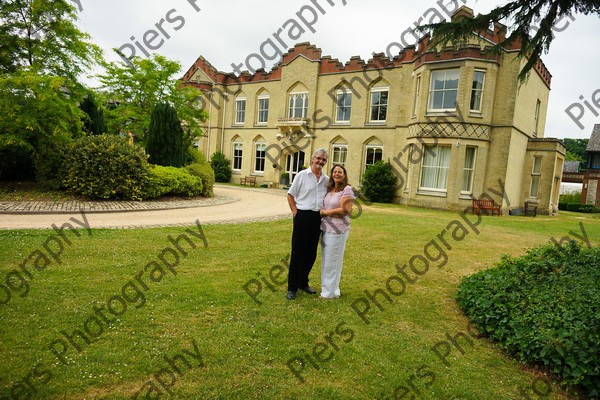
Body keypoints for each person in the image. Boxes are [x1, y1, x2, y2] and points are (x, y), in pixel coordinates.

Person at [286, 149, 329, 300]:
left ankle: (303, 282)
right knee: (298, 252)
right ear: (312, 159)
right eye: (318, 158)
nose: (320, 161)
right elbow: (290, 194)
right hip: (302, 215)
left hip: (317, 218)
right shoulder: (302, 175)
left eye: (323, 159)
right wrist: (295, 212)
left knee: (311, 253)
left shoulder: (326, 179)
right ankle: (292, 288)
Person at [319, 164, 354, 299]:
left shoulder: (347, 189)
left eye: (340, 172)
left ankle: (329, 293)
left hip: (338, 230)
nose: (337, 174)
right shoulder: (330, 190)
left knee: (333, 261)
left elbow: (345, 210)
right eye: (335, 172)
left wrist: (325, 212)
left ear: (344, 175)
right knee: (327, 260)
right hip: (326, 229)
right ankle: (331, 290)